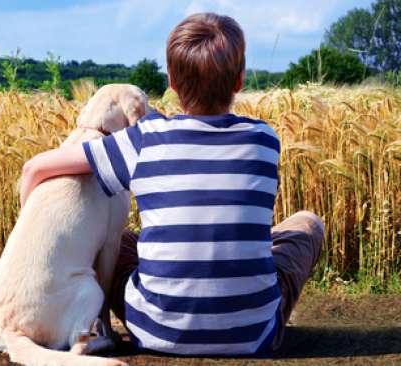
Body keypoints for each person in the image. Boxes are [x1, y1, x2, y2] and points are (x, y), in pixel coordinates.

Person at [19, 12, 324, 357]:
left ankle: (92, 323)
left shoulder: (145, 139)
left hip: (154, 331)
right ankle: (243, 306)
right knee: (307, 224)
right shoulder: (264, 139)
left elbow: (35, 169)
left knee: (115, 239)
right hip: (253, 334)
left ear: (172, 83)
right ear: (239, 80)